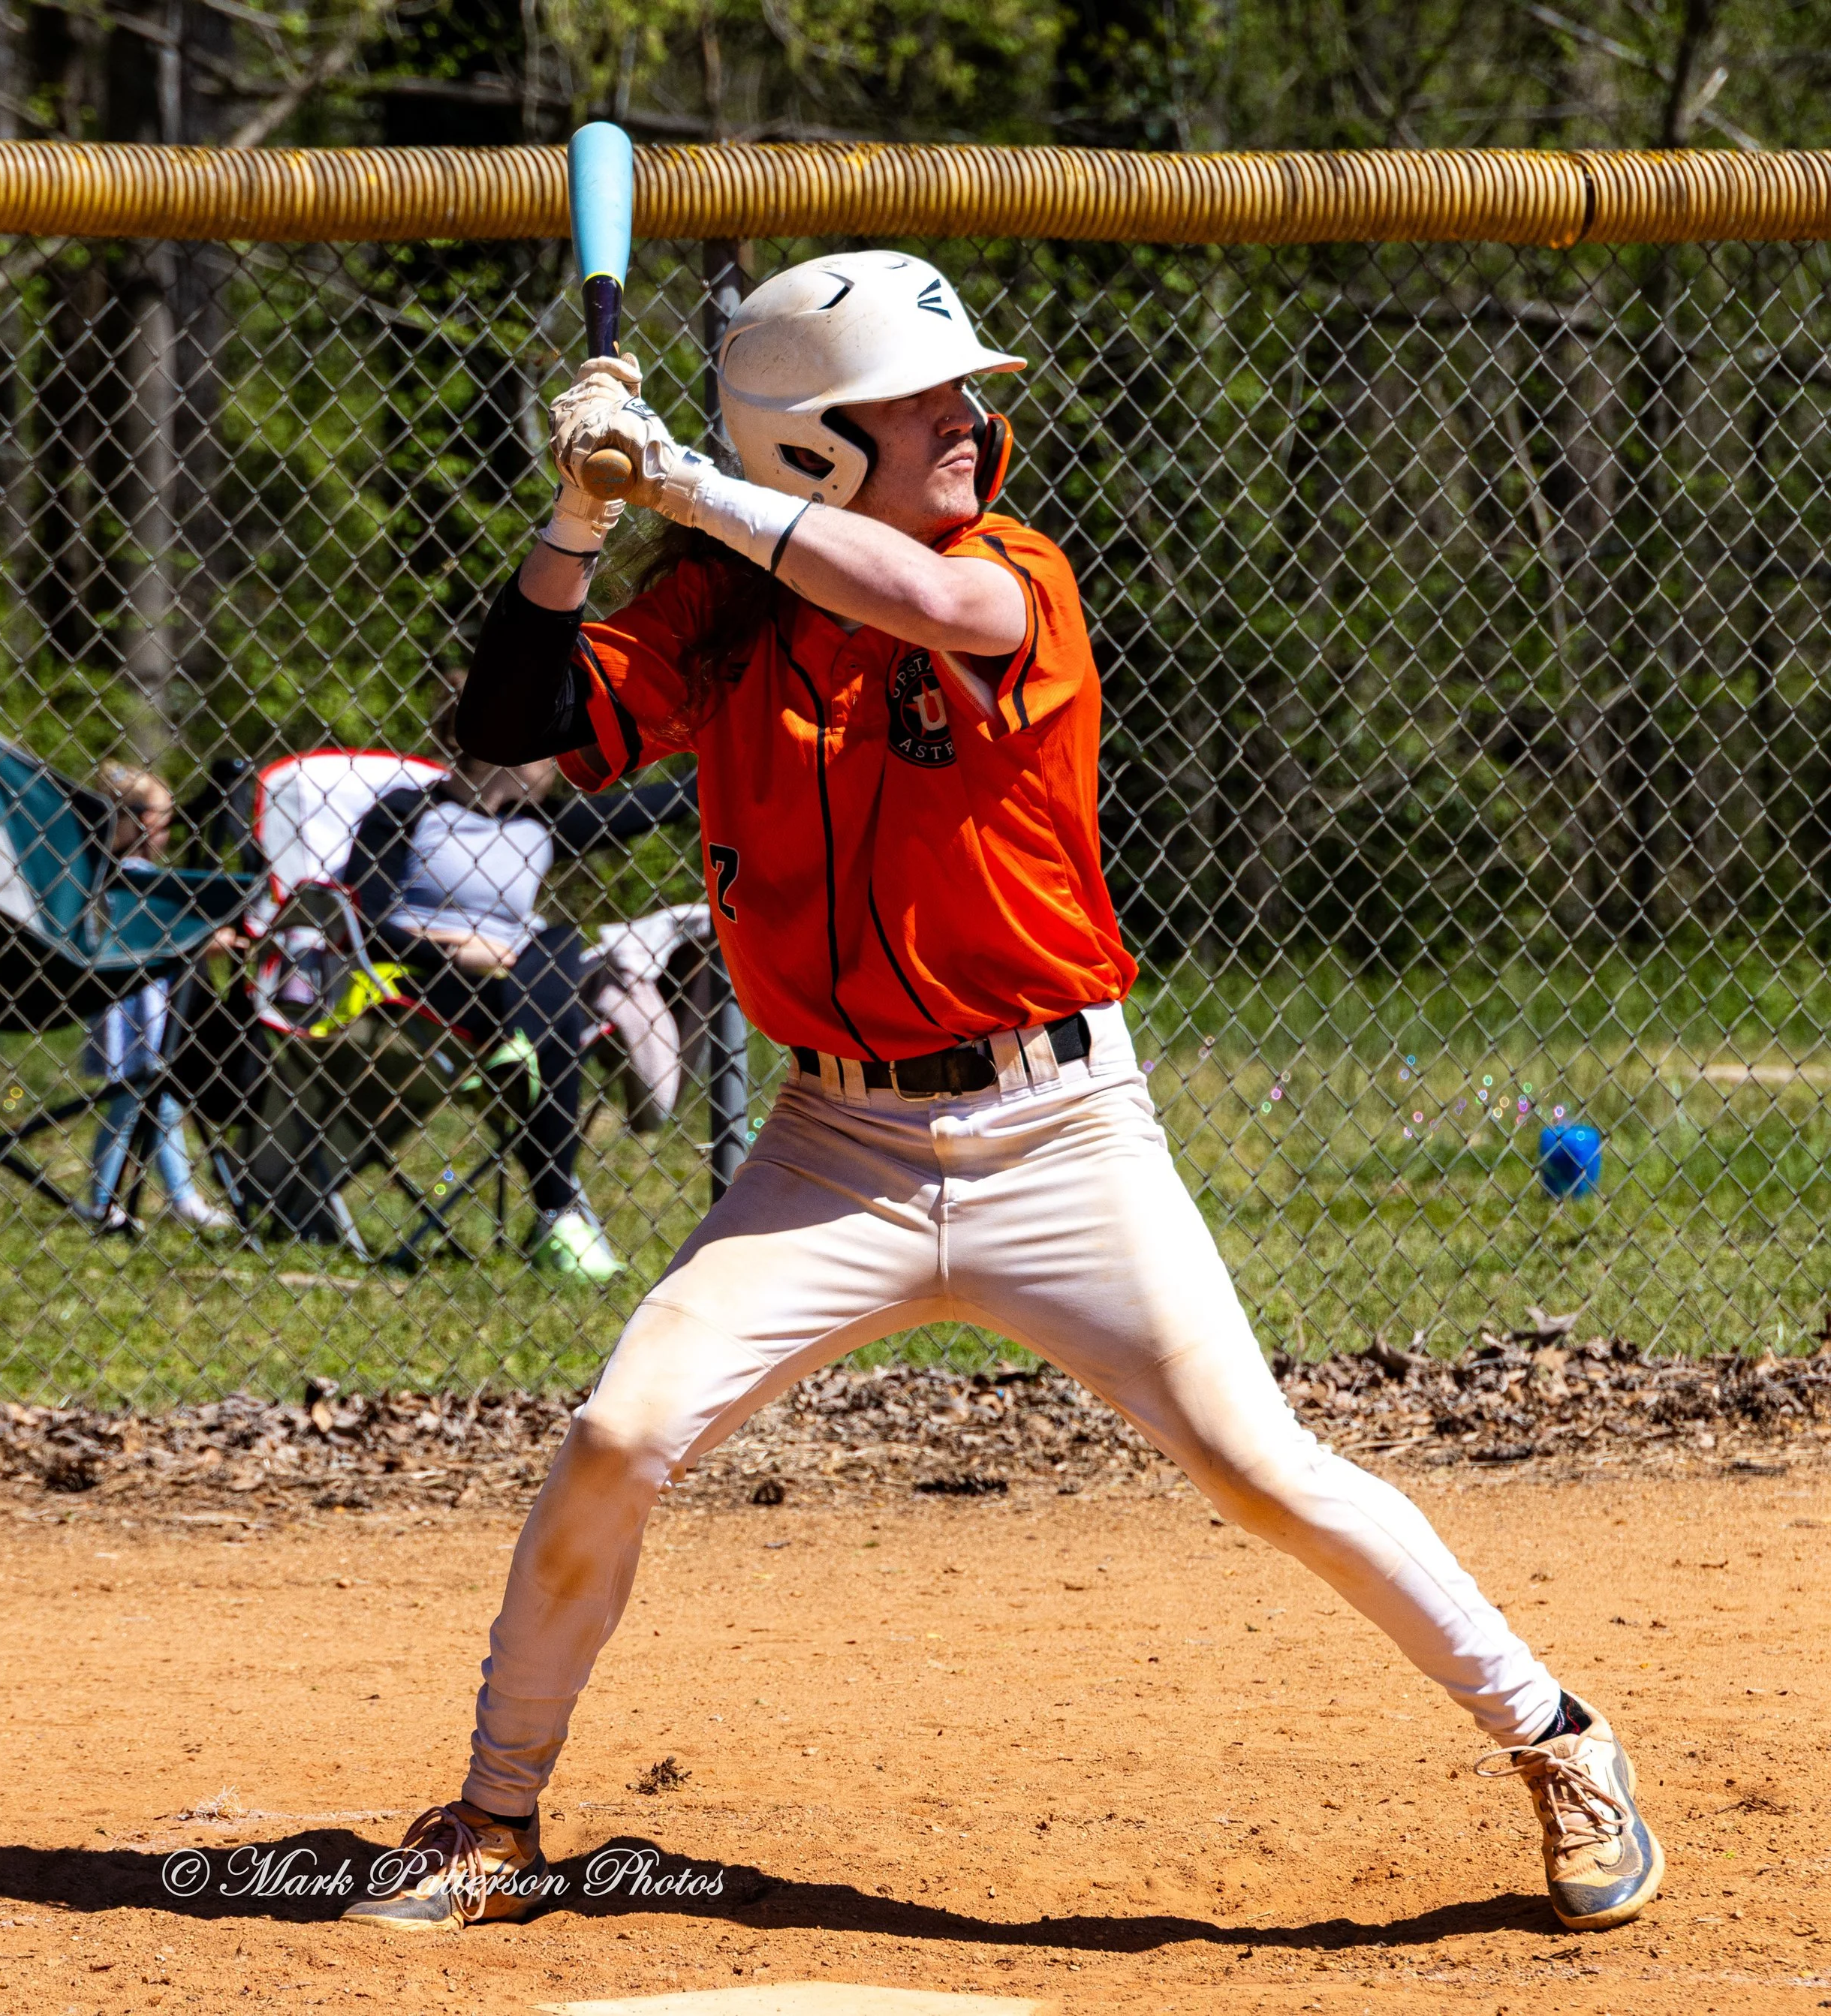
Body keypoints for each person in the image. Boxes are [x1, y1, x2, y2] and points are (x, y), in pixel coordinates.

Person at [343, 252, 1662, 1935]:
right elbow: (502, 729)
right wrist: (580, 517)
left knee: (1259, 1466)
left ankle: (1556, 1736)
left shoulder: (1010, 572)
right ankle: (491, 1815)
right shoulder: (714, 620)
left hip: (1057, 1133)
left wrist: (681, 476)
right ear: (815, 445)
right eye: (924, 401)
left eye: (962, 393)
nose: (972, 421)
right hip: (830, 1148)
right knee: (619, 1432)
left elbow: (939, 612)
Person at [342, 738, 697, 1281]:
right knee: (553, 983)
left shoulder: (541, 824)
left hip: (519, 988)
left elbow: (650, 807)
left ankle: (523, 1056)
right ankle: (559, 1213)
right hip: (424, 986)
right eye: (551, 751)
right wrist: (456, 950)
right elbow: (360, 919)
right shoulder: (407, 813)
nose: (563, 764)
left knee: (557, 943)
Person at [81, 764, 233, 1235]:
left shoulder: (121, 870)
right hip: (131, 1007)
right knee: (131, 1104)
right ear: (138, 821)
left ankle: (181, 1196)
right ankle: (102, 1201)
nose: (170, 827)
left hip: (147, 1001)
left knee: (161, 1101)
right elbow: (151, 933)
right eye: (165, 816)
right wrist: (204, 938)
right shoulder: (127, 874)